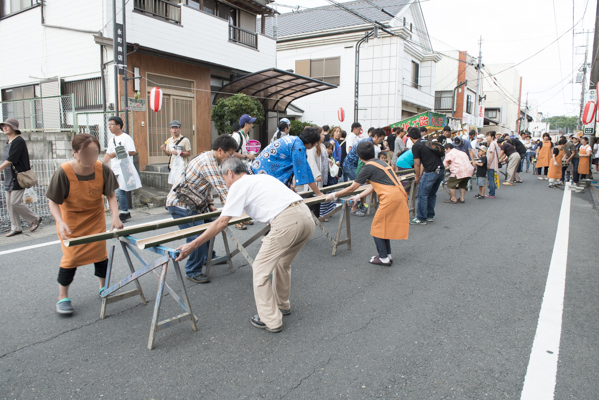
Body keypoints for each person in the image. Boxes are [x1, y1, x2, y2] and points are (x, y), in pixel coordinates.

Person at [176, 158, 315, 333]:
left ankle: (271, 320)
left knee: (260, 270)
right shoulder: (262, 178)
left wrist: (192, 246)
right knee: (282, 263)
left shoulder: (238, 185)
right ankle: (282, 305)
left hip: (287, 222)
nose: (225, 184)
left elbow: (222, 222)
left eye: (224, 178)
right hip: (306, 216)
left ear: (230, 173)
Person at [47, 133, 123, 315]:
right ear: (75, 153)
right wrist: (60, 221)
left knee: (100, 255)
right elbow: (53, 202)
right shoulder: (64, 172)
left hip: (95, 219)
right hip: (71, 223)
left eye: (95, 152)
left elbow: (111, 194)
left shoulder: (102, 169)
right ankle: (62, 296)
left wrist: (115, 216)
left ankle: (103, 288)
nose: (92, 157)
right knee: (71, 259)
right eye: (87, 152)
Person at [166, 135, 238, 284]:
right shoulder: (208, 163)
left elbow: (205, 186)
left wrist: (211, 203)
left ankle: (207, 257)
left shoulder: (211, 160)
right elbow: (223, 189)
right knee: (197, 235)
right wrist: (237, 208)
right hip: (180, 205)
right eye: (230, 154)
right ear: (220, 151)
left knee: (211, 224)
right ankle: (193, 270)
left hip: (195, 203)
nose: (230, 158)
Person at [325, 140, 409, 266]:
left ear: (359, 156)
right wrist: (358, 196)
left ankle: (383, 258)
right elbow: (375, 186)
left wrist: (334, 194)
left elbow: (352, 187)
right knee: (384, 226)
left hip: (390, 198)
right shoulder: (379, 162)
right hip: (398, 195)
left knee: (377, 227)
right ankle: (386, 255)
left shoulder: (368, 167)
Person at [251, 127, 324, 197]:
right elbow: (305, 171)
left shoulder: (293, 139)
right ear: (310, 143)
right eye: (316, 143)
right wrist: (318, 193)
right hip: (262, 174)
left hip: (257, 169)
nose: (315, 145)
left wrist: (289, 184)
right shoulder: (298, 148)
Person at [0, 118, 42, 237]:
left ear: (14, 128)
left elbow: (11, 159)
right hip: (9, 177)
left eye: (7, 126)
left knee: (14, 202)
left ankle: (34, 218)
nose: (4, 127)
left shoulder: (19, 141)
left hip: (18, 177)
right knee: (9, 203)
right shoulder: (8, 142)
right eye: (3, 126)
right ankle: (16, 227)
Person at [342, 129, 386, 215]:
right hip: (350, 166)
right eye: (381, 139)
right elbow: (362, 162)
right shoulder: (367, 144)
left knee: (361, 186)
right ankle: (354, 208)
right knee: (359, 186)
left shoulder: (369, 142)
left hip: (354, 165)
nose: (381, 142)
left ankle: (359, 205)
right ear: (376, 136)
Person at [103, 116, 137, 222]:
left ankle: (124, 212)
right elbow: (108, 154)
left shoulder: (126, 138)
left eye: (111, 124)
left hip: (125, 168)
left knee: (119, 191)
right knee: (118, 191)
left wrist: (116, 153)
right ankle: (124, 211)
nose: (109, 127)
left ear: (118, 125)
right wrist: (100, 165)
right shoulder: (111, 140)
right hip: (115, 168)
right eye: (108, 125)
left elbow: (132, 152)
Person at [410, 127, 444, 225]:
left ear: (411, 138)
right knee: (432, 194)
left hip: (431, 172)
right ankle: (430, 216)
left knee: (422, 195)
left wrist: (417, 176)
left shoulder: (416, 146)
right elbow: (424, 162)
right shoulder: (427, 142)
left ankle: (421, 218)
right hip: (440, 170)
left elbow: (417, 163)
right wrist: (420, 174)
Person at [485, 131, 500, 198]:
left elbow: (492, 155)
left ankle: (491, 193)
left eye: (488, 136)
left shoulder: (492, 144)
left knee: (490, 179)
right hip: (494, 163)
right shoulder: (495, 143)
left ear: (492, 137)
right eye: (486, 136)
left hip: (492, 164)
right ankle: (492, 193)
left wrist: (488, 164)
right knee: (492, 178)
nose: (487, 137)